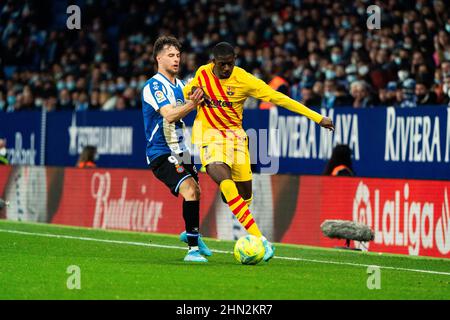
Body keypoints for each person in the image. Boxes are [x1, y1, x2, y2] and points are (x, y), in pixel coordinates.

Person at [183, 42, 334, 262]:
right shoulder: (202, 74)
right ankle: (260, 238)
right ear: (213, 62)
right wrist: (192, 93)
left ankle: (216, 210)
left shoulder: (244, 79)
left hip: (236, 141)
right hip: (210, 139)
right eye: (223, 65)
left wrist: (317, 117)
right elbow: (187, 91)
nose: (227, 68)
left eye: (231, 64)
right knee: (223, 180)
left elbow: (279, 98)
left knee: (243, 196)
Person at [141, 36, 211, 263]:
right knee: (190, 190)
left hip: (181, 149)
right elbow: (170, 115)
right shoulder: (154, 86)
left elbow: (198, 103)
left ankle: (191, 233)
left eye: (178, 55)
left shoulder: (181, 85)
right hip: (161, 152)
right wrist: (193, 104)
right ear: (158, 58)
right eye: (171, 55)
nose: (176, 59)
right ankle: (192, 250)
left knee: (196, 192)